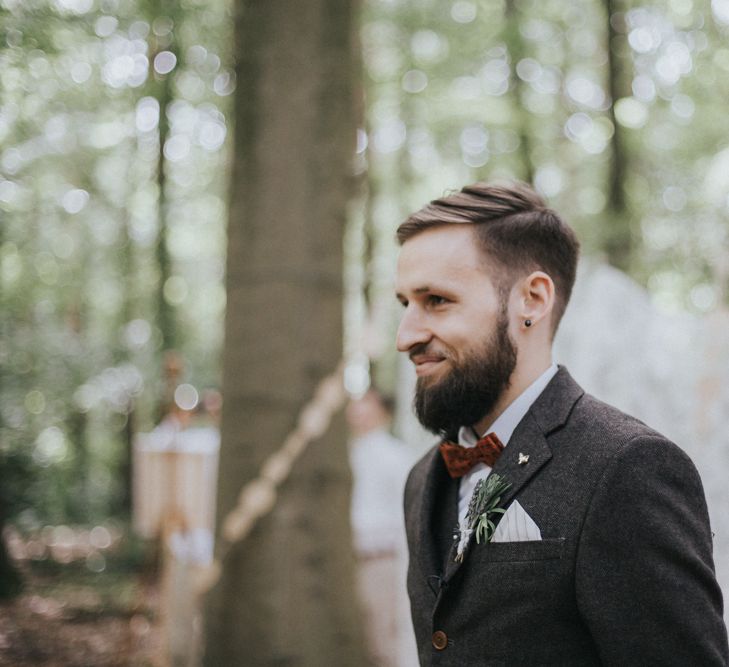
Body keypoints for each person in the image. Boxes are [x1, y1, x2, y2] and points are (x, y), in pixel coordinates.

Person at [394, 181, 728, 665]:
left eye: (437, 301)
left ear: (531, 299)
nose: (406, 335)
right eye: (404, 303)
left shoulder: (628, 466)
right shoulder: (423, 478)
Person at [346, 388, 418, 667]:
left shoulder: (396, 456)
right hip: (351, 560)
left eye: (366, 403)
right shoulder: (348, 453)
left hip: (381, 561)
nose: (358, 410)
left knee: (383, 637)